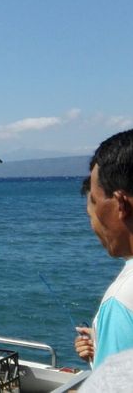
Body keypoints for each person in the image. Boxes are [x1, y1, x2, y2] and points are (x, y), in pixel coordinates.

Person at [74, 129, 133, 369]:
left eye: (95, 205)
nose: (93, 223)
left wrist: (115, 328)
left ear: (120, 204)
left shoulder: (121, 301)